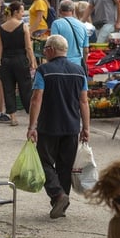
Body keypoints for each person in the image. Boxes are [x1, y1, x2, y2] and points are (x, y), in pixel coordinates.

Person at [27, 34, 89, 219]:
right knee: (65, 166)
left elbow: (36, 98)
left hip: (49, 126)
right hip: (71, 126)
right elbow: (84, 101)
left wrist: (32, 126)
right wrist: (86, 128)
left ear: (51, 50)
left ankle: (58, 195)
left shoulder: (44, 70)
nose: (44, 52)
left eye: (45, 49)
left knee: (43, 161)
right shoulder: (79, 71)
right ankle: (60, 204)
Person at [0, 1, 37, 127]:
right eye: (21, 11)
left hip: (6, 60)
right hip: (20, 59)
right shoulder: (23, 26)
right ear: (15, 12)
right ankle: (31, 115)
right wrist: (32, 61)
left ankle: (13, 117)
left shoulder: (1, 27)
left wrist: (1, 61)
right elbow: (28, 47)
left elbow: (0, 48)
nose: (22, 14)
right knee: (25, 88)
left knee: (8, 88)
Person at [50, 0, 88, 66]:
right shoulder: (82, 25)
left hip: (62, 64)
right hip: (78, 64)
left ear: (59, 11)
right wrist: (84, 64)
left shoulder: (56, 24)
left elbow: (53, 45)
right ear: (73, 11)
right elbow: (86, 50)